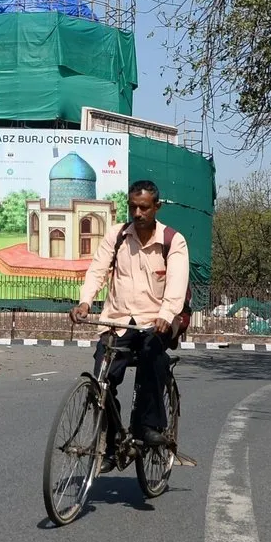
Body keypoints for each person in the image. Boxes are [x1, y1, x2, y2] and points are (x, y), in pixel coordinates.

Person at [70, 179, 189, 473]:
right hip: (119, 321)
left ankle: (148, 426)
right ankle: (112, 444)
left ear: (156, 208)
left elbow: (176, 285)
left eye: (144, 207)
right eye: (133, 206)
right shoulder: (118, 236)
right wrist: (85, 302)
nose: (137, 213)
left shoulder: (173, 241)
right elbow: (98, 270)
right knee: (102, 379)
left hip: (155, 322)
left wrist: (167, 313)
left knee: (152, 356)